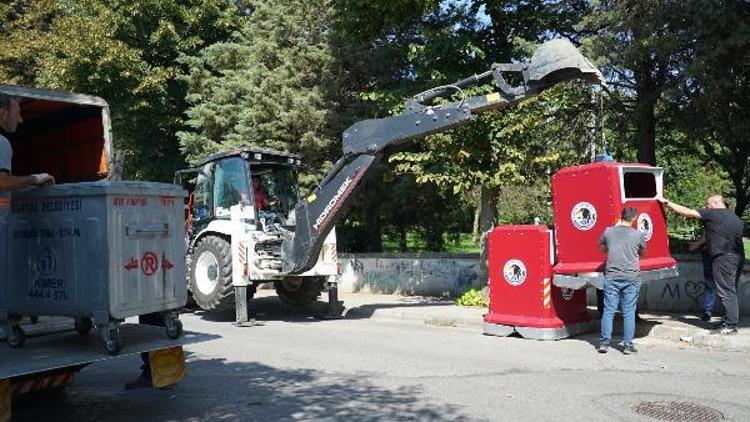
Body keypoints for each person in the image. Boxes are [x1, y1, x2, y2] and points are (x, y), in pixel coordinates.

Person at [661, 195, 745, 335]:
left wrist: (667, 203)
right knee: (730, 290)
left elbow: (687, 211)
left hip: (723, 257)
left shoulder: (713, 214)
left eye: (708, 204)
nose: (706, 207)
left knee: (726, 292)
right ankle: (727, 321)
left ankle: (730, 326)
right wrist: (697, 244)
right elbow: (713, 233)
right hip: (737, 257)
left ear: (715, 203)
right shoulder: (735, 218)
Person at [597, 207, 646, 355]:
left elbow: (601, 248)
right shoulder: (638, 234)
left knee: (609, 310)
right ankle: (627, 345)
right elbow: (643, 253)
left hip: (611, 276)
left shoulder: (608, 231)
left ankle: (604, 343)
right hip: (631, 276)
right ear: (634, 218)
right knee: (629, 311)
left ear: (621, 216)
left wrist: (609, 249)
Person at [0, 94, 55, 196]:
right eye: (17, 114)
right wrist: (37, 179)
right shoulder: (1, 141)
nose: (20, 120)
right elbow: (3, 182)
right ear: (3, 113)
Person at [688, 233, 717, 322]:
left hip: (712, 252)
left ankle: (707, 312)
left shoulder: (712, 220)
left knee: (710, 284)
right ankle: (729, 313)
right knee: (715, 284)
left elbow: (707, 234)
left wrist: (696, 244)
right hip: (722, 252)